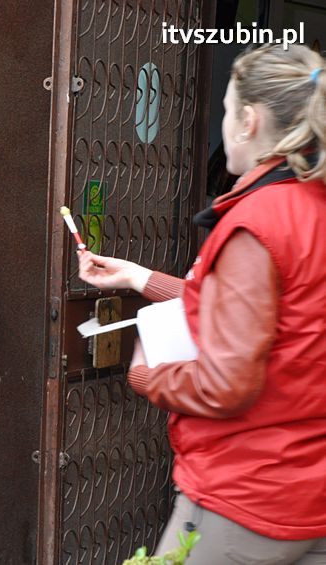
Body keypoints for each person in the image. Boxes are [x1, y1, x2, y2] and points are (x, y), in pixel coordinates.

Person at [78, 44, 326, 564]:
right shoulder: (312, 206)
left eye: (227, 111)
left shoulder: (258, 219)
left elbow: (226, 383)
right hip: (310, 494)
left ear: (249, 121)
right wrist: (141, 277)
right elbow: (270, 315)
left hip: (244, 495)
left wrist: (147, 375)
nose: (224, 123)